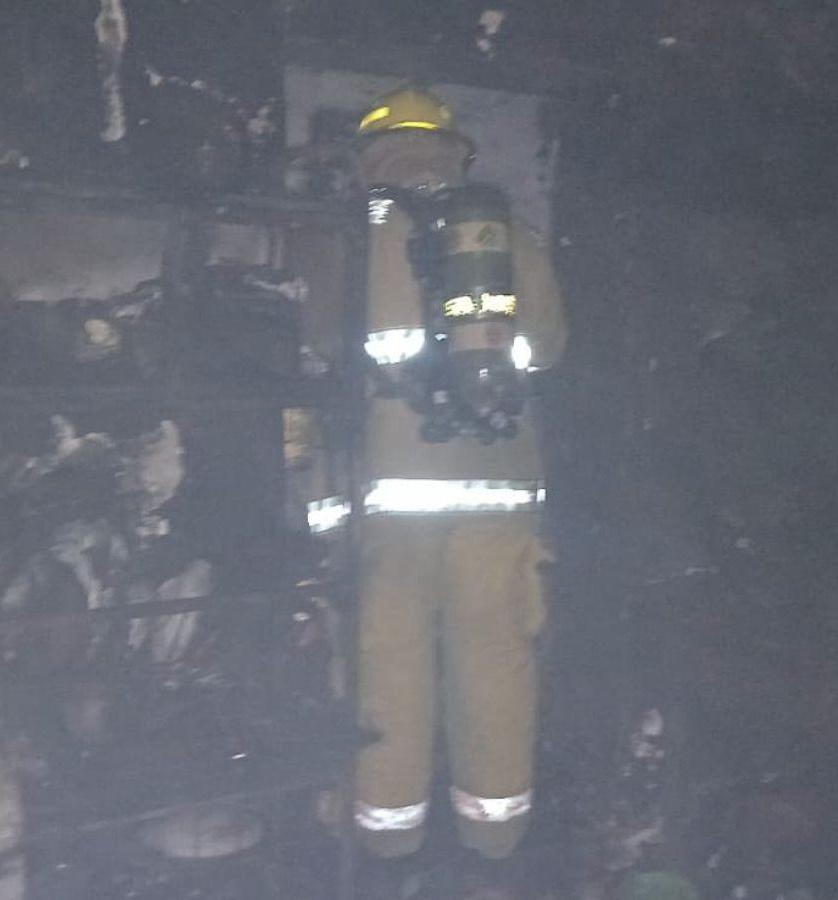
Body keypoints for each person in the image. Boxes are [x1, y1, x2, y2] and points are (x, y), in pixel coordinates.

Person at [312, 85, 567, 897]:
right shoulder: (508, 237)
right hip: (499, 498)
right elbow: (552, 348)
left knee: (388, 666)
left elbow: (318, 347)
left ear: (371, 160)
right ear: (455, 153)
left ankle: (392, 850)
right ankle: (496, 844)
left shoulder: (351, 238)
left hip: (390, 499)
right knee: (495, 664)